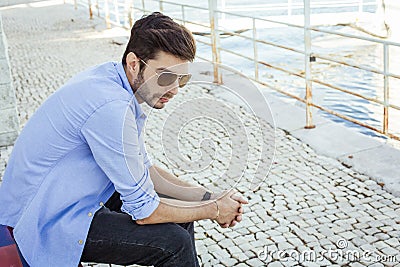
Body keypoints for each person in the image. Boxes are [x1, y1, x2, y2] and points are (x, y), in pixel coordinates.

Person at [0, 12, 248, 267]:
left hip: (71, 193)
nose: (174, 89)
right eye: (165, 76)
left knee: (183, 215)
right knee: (174, 243)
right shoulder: (111, 107)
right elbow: (145, 211)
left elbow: (146, 170)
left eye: (181, 79)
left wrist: (207, 197)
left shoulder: (112, 79)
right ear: (133, 63)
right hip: (43, 218)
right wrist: (214, 211)